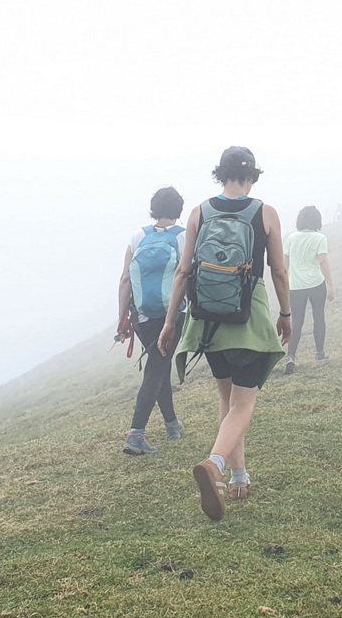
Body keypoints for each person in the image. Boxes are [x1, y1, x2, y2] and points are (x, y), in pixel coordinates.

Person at [159, 146, 292, 522]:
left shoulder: (200, 212)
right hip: (247, 320)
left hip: (207, 321)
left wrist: (171, 322)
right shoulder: (265, 212)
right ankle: (216, 465)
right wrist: (286, 313)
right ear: (252, 177)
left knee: (227, 399)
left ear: (221, 175)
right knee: (244, 403)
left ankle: (238, 478)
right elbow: (279, 272)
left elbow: (184, 272)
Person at [116, 187, 187, 456]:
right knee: (156, 369)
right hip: (172, 314)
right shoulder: (183, 238)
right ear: (178, 210)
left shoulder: (137, 237)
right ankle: (136, 435)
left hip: (142, 317)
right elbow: (186, 275)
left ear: (153, 209)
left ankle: (172, 425)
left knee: (159, 365)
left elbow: (125, 279)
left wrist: (122, 318)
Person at [283, 206, 335, 374]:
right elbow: (323, 262)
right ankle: (320, 354)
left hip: (296, 286)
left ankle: (291, 356)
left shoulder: (290, 238)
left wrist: (284, 286)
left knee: (296, 321)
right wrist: (330, 285)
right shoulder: (320, 238)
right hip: (316, 284)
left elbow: (285, 266)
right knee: (319, 317)